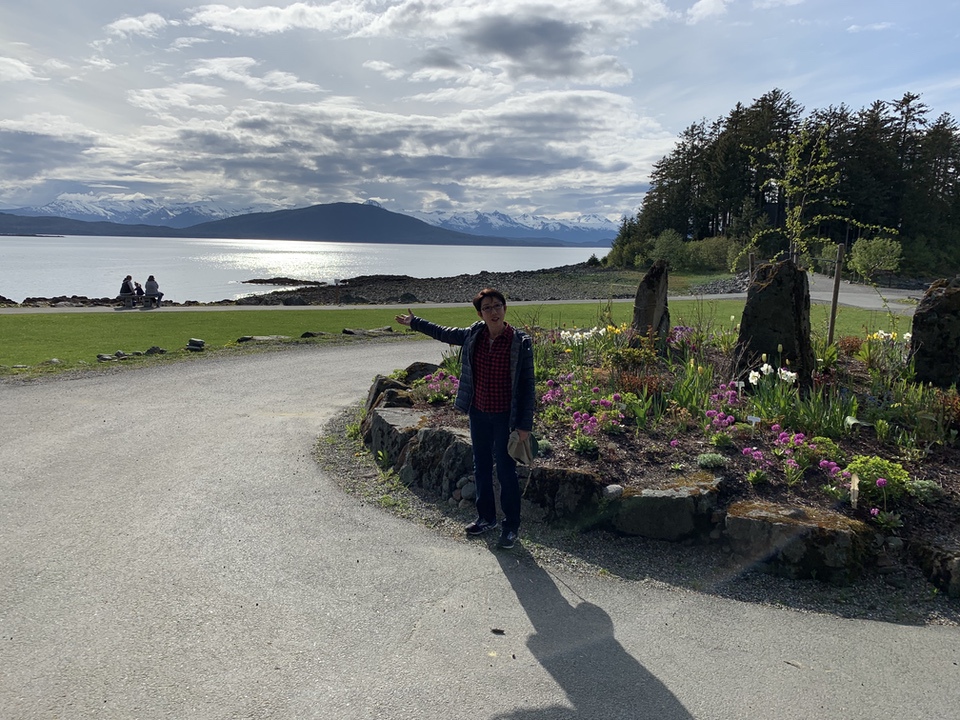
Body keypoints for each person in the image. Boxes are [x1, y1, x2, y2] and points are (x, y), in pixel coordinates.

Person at [395, 288, 535, 549]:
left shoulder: (520, 342)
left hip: (506, 418)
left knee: (506, 472)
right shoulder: (474, 335)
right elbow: (444, 333)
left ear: (505, 308)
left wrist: (524, 427)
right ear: (480, 314)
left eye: (497, 306)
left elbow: (528, 386)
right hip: (479, 413)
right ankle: (486, 518)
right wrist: (416, 322)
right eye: (487, 308)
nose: (493, 311)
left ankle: (511, 526)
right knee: (480, 467)